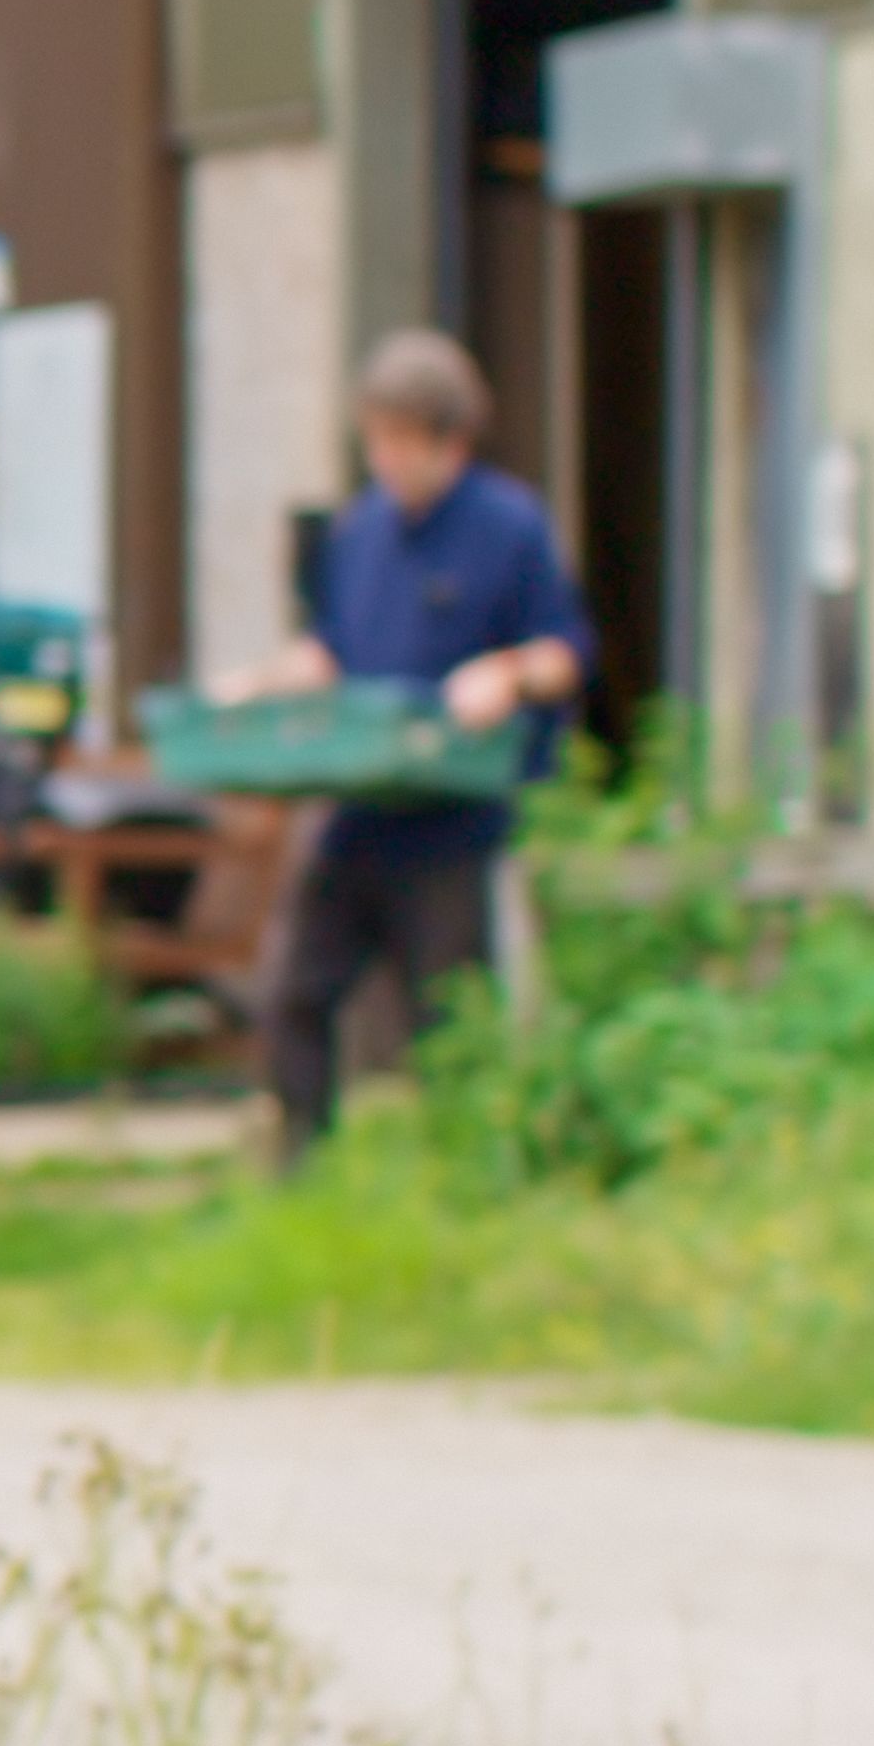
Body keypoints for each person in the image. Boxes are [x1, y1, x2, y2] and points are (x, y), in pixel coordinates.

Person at [210, 327, 589, 1159]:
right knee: (293, 996)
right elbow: (334, 650)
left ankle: (459, 1184)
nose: (382, 458)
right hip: (359, 816)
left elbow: (566, 654)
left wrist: (508, 674)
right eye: (372, 439)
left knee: (446, 1023)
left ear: (447, 438)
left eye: (397, 440)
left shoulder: (510, 528)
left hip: (451, 822)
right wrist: (261, 683)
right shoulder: (360, 533)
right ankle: (301, 1176)